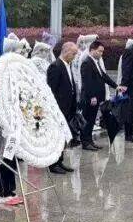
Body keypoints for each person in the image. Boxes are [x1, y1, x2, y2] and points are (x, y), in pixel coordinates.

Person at [46, 42, 78, 174]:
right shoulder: (55, 66)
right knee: (57, 137)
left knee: (63, 136)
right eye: (73, 53)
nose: (75, 56)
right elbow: (51, 90)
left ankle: (60, 160)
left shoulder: (67, 65)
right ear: (65, 51)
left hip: (68, 107)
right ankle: (53, 164)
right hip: (59, 108)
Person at [80, 40, 117, 149]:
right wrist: (92, 96)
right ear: (92, 50)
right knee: (87, 120)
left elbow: (104, 76)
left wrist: (116, 86)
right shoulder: (87, 62)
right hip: (90, 98)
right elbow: (87, 82)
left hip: (96, 97)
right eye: (99, 51)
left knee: (91, 120)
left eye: (102, 52)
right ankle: (85, 142)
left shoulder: (95, 62)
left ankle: (89, 141)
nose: (101, 53)